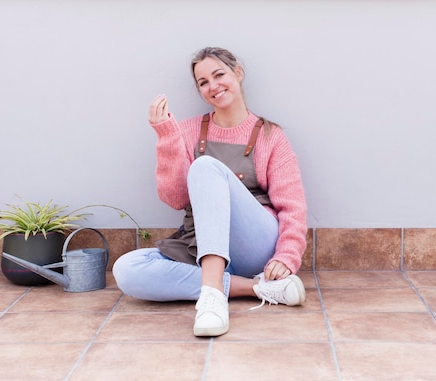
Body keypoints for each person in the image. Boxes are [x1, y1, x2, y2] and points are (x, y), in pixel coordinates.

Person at [113, 47, 308, 337]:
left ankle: (213, 299)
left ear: (238, 74)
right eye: (203, 82)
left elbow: (293, 206)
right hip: (200, 243)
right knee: (126, 270)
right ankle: (256, 288)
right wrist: (167, 136)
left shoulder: (270, 136)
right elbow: (176, 198)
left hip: (253, 244)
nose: (213, 86)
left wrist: (286, 257)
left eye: (219, 75)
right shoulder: (188, 130)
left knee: (205, 166)